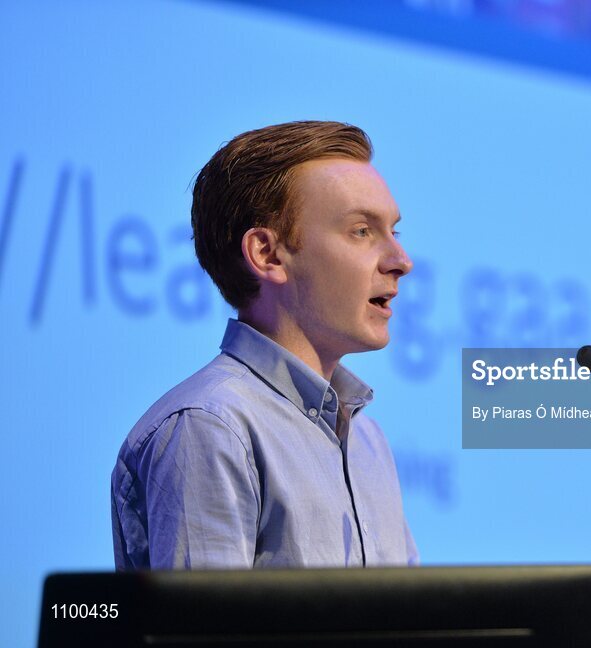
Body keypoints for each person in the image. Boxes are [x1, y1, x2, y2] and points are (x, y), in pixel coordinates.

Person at [110, 121, 417, 569]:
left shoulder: (368, 441)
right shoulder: (211, 427)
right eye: (361, 231)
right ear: (267, 255)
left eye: (394, 232)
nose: (400, 261)